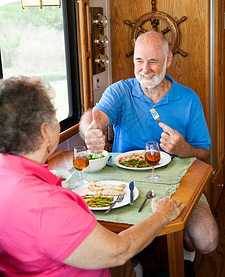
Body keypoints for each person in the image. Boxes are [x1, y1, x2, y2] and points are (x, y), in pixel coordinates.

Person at [0, 76, 184, 276]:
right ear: (45, 131)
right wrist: (162, 214)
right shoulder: (47, 204)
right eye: (55, 117)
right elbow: (119, 251)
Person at [79, 31, 219, 273]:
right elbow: (96, 116)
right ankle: (134, 263)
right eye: (139, 61)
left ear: (169, 59)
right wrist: (92, 129)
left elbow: (204, 154)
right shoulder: (120, 91)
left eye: (153, 61)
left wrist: (184, 149)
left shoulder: (189, 99)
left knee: (207, 240)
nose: (145, 69)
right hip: (125, 182)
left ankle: (186, 252)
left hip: (178, 183)